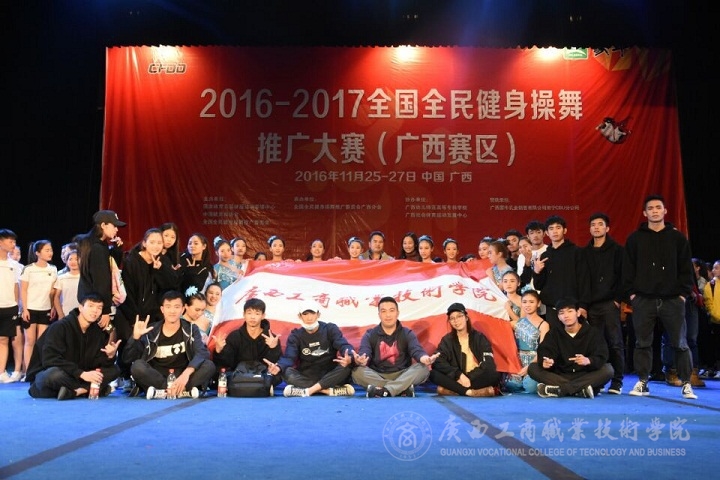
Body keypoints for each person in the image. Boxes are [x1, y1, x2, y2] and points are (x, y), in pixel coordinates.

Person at [622, 194, 697, 400]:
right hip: (643, 299)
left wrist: (682, 294)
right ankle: (643, 381)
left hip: (673, 299)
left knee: (680, 342)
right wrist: (632, 295)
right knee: (642, 343)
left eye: (658, 207)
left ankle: (686, 383)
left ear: (665, 211)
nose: (655, 211)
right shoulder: (635, 239)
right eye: (651, 208)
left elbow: (686, 269)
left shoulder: (677, 238)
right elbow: (627, 269)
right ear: (645, 213)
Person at [122, 290, 216, 398]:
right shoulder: (151, 330)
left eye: (176, 307)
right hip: (158, 375)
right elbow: (127, 359)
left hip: (182, 374)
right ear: (162, 309)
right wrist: (135, 338)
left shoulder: (191, 329)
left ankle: (165, 392)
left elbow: (202, 353)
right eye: (168, 307)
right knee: (137, 366)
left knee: (209, 365)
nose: (172, 311)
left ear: (183, 309)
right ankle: (177, 391)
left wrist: (186, 374)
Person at [27, 293, 121, 400]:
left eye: (99, 308)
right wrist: (81, 374)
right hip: (55, 373)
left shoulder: (98, 332)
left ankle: (78, 391)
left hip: (78, 376)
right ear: (80, 308)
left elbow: (97, 364)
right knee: (53, 375)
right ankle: (91, 389)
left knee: (114, 370)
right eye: (91, 306)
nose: (95, 311)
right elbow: (50, 360)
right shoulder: (60, 327)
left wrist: (110, 356)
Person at [265, 300, 355, 397]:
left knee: (346, 367)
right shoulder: (296, 335)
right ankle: (328, 391)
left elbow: (343, 345)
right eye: (305, 314)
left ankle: (308, 391)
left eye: (312, 313)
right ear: (300, 316)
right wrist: (278, 367)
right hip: (307, 375)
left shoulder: (330, 329)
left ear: (318, 315)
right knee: (286, 372)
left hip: (330, 373)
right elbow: (289, 357)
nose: (309, 317)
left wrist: (349, 356)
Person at [528, 297, 613, 398]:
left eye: (570, 311)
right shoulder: (554, 333)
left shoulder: (592, 332)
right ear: (558, 317)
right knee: (532, 368)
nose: (566, 316)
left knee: (608, 370)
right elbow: (545, 351)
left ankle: (561, 390)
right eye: (561, 313)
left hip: (584, 374)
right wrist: (546, 362)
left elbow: (602, 355)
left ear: (578, 313)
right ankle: (580, 390)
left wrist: (589, 360)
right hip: (560, 375)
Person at [351, 296, 437, 397]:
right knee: (357, 372)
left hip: (403, 374)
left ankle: (383, 390)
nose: (388, 315)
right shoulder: (370, 334)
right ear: (379, 314)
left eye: (391, 310)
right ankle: (400, 389)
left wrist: (424, 358)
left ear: (397, 313)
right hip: (378, 375)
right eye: (383, 311)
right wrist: (361, 359)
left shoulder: (407, 333)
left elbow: (416, 350)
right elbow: (365, 352)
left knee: (423, 369)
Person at [582, 212, 626, 394]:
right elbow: (583, 280)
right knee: (595, 345)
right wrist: (583, 305)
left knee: (615, 343)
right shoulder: (585, 252)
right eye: (593, 225)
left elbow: (623, 276)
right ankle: (598, 381)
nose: (596, 227)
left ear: (607, 228)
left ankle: (617, 381)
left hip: (610, 303)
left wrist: (617, 300)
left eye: (600, 224)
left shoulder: (617, 250)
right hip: (591, 305)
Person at [211, 298, 283, 392]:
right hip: (239, 375)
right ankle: (261, 387)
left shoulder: (271, 338)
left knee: (279, 373)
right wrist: (219, 350)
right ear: (244, 315)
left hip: (262, 375)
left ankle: (263, 385)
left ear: (263, 316)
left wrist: (273, 348)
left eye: (257, 314)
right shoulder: (235, 336)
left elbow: (274, 364)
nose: (252, 317)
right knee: (219, 373)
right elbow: (226, 363)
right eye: (249, 313)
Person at [531, 215, 589, 330]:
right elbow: (539, 286)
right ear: (547, 233)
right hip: (552, 308)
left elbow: (584, 280)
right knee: (555, 337)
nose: (555, 231)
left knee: (575, 337)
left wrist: (583, 305)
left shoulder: (576, 252)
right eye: (551, 228)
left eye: (558, 228)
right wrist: (537, 272)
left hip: (573, 307)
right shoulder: (545, 256)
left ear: (565, 230)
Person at [430, 302, 500, 396]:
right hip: (457, 377)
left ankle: (455, 389)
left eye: (459, 316)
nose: (456, 321)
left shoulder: (479, 338)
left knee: (494, 374)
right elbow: (438, 361)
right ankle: (470, 392)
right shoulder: (447, 340)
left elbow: (488, 363)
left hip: (475, 377)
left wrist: (467, 378)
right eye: (452, 318)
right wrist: (459, 375)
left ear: (466, 317)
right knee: (433, 374)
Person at [76, 210, 126, 333]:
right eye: (114, 226)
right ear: (103, 225)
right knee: (104, 336)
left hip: (90, 301)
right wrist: (105, 310)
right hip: (95, 304)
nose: (117, 229)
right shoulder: (97, 248)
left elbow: (110, 267)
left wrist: (117, 249)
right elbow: (102, 280)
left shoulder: (97, 244)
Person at [20, 240, 58, 375]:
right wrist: (24, 309)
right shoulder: (28, 269)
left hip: (46, 309)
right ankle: (28, 372)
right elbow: (23, 290)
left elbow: (54, 291)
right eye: (47, 250)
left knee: (41, 342)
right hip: (30, 308)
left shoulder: (53, 269)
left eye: (51, 250)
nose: (50, 253)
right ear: (37, 253)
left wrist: (53, 307)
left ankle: (39, 371)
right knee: (29, 341)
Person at [503, 290, 548, 394]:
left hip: (534, 362)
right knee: (510, 384)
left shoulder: (544, 325)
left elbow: (542, 350)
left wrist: (529, 367)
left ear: (538, 303)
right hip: (517, 362)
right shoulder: (516, 323)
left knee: (530, 386)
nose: (527, 305)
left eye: (531, 302)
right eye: (524, 302)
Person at [0, 229, 23, 383]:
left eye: (14, 241)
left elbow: (16, 286)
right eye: (10, 241)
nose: (13, 244)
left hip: (9, 307)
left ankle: (2, 372)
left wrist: (16, 304)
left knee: (4, 339)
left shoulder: (14, 265)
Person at [52, 247, 80, 320]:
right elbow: (56, 297)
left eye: (76, 259)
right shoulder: (61, 278)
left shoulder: (84, 278)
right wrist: (60, 314)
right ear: (66, 262)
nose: (73, 262)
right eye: (70, 259)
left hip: (82, 314)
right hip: (65, 314)